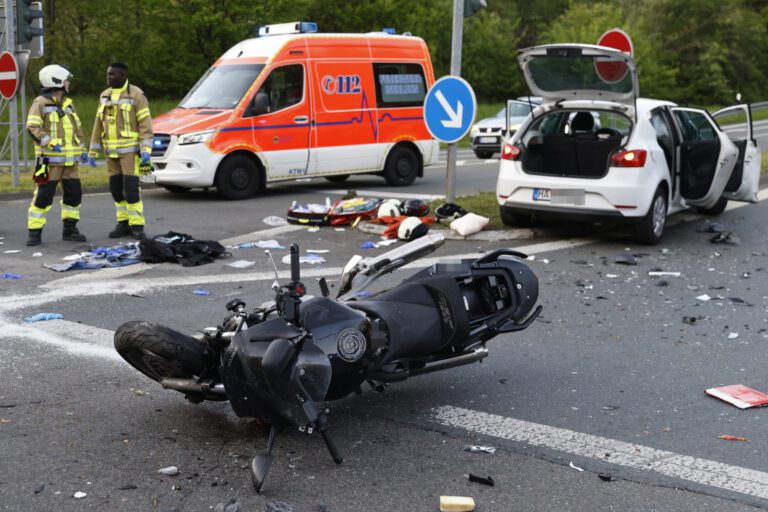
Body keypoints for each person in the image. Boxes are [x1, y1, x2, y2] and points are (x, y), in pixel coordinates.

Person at [25, 64, 92, 246]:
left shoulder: (69, 105)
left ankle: (70, 230)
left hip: (71, 163)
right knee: (43, 196)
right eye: (66, 80)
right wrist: (49, 142)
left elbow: (78, 131)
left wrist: (83, 151)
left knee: (73, 195)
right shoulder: (40, 103)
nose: (68, 83)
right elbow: (32, 127)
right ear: (57, 82)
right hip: (47, 162)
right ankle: (34, 233)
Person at [88, 62, 153, 240]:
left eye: (112, 74)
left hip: (130, 153)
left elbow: (145, 124)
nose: (108, 77)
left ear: (123, 76)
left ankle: (137, 226)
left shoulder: (136, 95)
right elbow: (98, 124)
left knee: (131, 190)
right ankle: (123, 224)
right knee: (116, 189)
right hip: (111, 154)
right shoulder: (104, 95)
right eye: (108, 74)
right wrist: (93, 150)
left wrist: (146, 149)